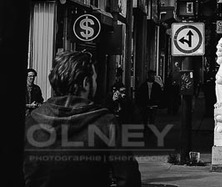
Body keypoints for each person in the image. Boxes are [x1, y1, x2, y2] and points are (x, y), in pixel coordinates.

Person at [24, 50, 140, 186]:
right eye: (95, 80)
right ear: (86, 83)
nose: (96, 84)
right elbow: (128, 178)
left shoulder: (31, 122)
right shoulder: (106, 123)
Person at [133, 69, 162, 143]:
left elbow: (160, 95)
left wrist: (157, 103)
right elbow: (139, 95)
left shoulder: (156, 86)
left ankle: (150, 133)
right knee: (145, 119)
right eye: (151, 75)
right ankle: (146, 131)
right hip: (145, 105)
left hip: (153, 105)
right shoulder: (143, 86)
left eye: (153, 75)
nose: (152, 77)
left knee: (152, 119)